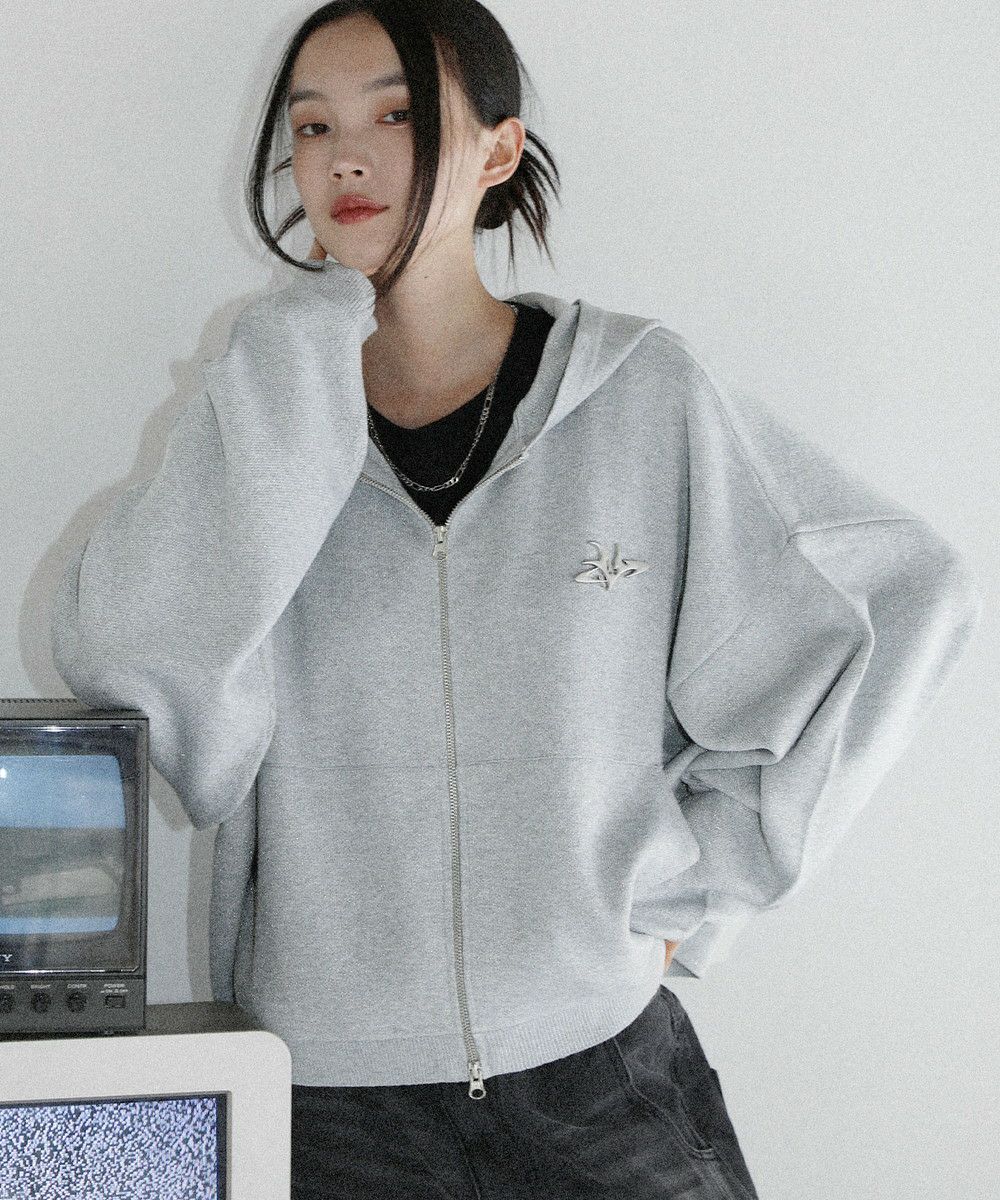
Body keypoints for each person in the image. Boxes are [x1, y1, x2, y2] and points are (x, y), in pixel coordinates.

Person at [50, 1, 982, 1197]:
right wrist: (301, 347)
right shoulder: (260, 417)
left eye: (397, 115)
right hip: (336, 1098)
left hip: (599, 1071)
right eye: (313, 126)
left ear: (497, 149)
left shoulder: (640, 395)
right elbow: (125, 658)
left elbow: (900, 595)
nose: (347, 157)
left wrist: (705, 883)